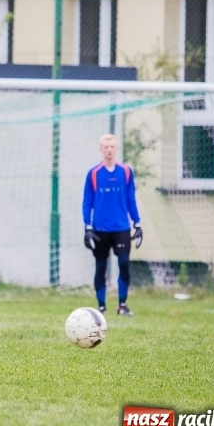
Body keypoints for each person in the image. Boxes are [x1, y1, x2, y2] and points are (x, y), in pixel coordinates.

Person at [82, 134, 142, 317]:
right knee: (101, 266)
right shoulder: (93, 173)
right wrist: (87, 226)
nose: (109, 150)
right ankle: (101, 307)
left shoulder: (126, 172)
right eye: (106, 147)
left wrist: (137, 223)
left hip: (121, 228)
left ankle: (122, 305)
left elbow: (131, 198)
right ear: (101, 149)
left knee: (123, 263)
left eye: (112, 147)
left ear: (116, 149)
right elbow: (87, 202)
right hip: (100, 229)